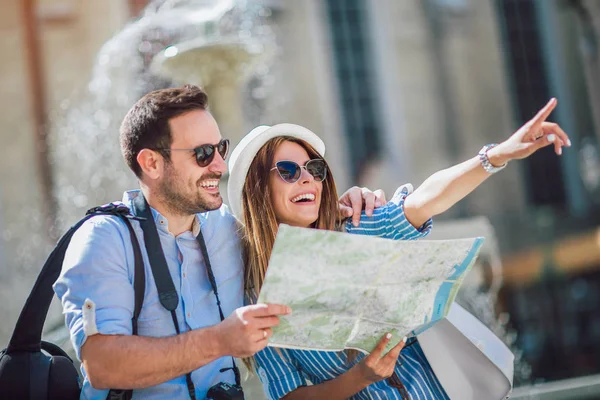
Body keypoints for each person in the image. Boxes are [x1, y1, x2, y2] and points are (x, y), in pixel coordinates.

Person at [53, 85, 383, 399]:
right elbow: (102, 365)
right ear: (151, 163)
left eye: (220, 149)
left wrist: (353, 202)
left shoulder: (230, 227)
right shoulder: (103, 239)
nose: (220, 166)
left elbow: (286, 216)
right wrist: (220, 341)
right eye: (203, 154)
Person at [227, 98, 569, 399]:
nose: (307, 179)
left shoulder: (359, 228)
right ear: (257, 191)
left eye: (314, 168)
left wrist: (496, 155)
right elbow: (288, 396)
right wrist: (361, 378)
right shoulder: (256, 301)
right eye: (287, 171)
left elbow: (423, 200)